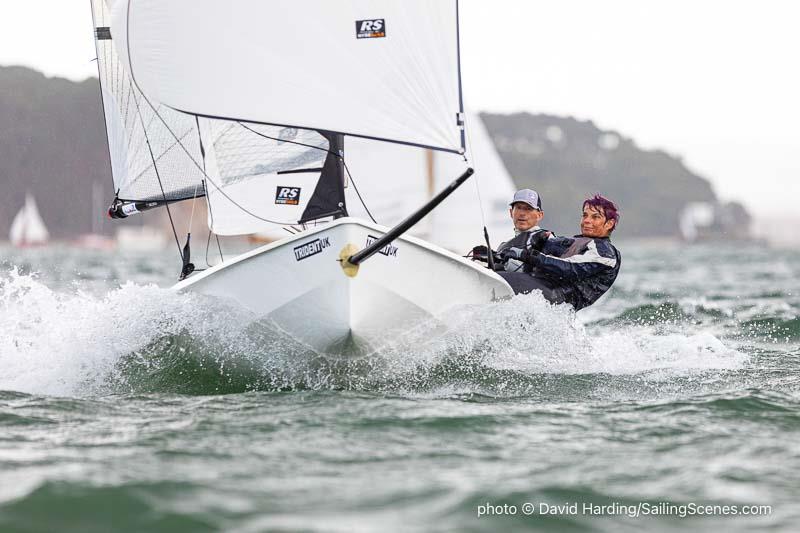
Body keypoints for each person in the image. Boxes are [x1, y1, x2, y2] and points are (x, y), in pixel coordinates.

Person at [493, 194, 622, 310]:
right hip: (544, 289)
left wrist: (527, 255)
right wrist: (494, 255)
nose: (587, 220)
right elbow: (547, 244)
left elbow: (569, 268)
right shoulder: (578, 241)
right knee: (496, 270)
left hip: (558, 299)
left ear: (609, 223)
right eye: (585, 215)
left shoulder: (605, 252)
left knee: (499, 279)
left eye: (595, 217)